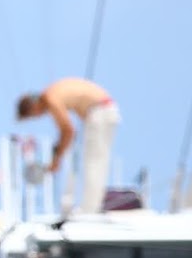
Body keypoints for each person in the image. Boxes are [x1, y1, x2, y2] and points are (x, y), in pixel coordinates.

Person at [16, 78, 120, 214]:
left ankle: (89, 210)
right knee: (95, 161)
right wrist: (58, 152)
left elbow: (68, 130)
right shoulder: (52, 92)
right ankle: (91, 206)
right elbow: (67, 132)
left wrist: (56, 158)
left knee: (93, 162)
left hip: (100, 113)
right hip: (103, 111)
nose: (38, 116)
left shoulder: (50, 98)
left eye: (33, 115)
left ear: (33, 107)